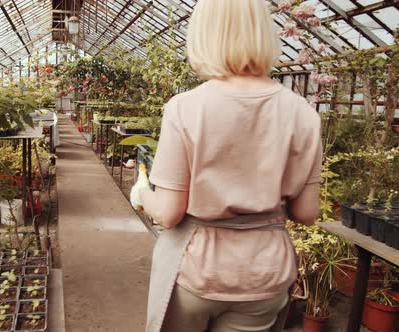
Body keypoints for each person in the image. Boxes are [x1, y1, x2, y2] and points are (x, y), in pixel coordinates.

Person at [130, 1, 322, 331]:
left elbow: (169, 212)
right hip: (265, 273)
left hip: (198, 268)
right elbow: (307, 212)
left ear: (205, 34)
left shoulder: (186, 108)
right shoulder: (302, 112)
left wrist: (143, 194)